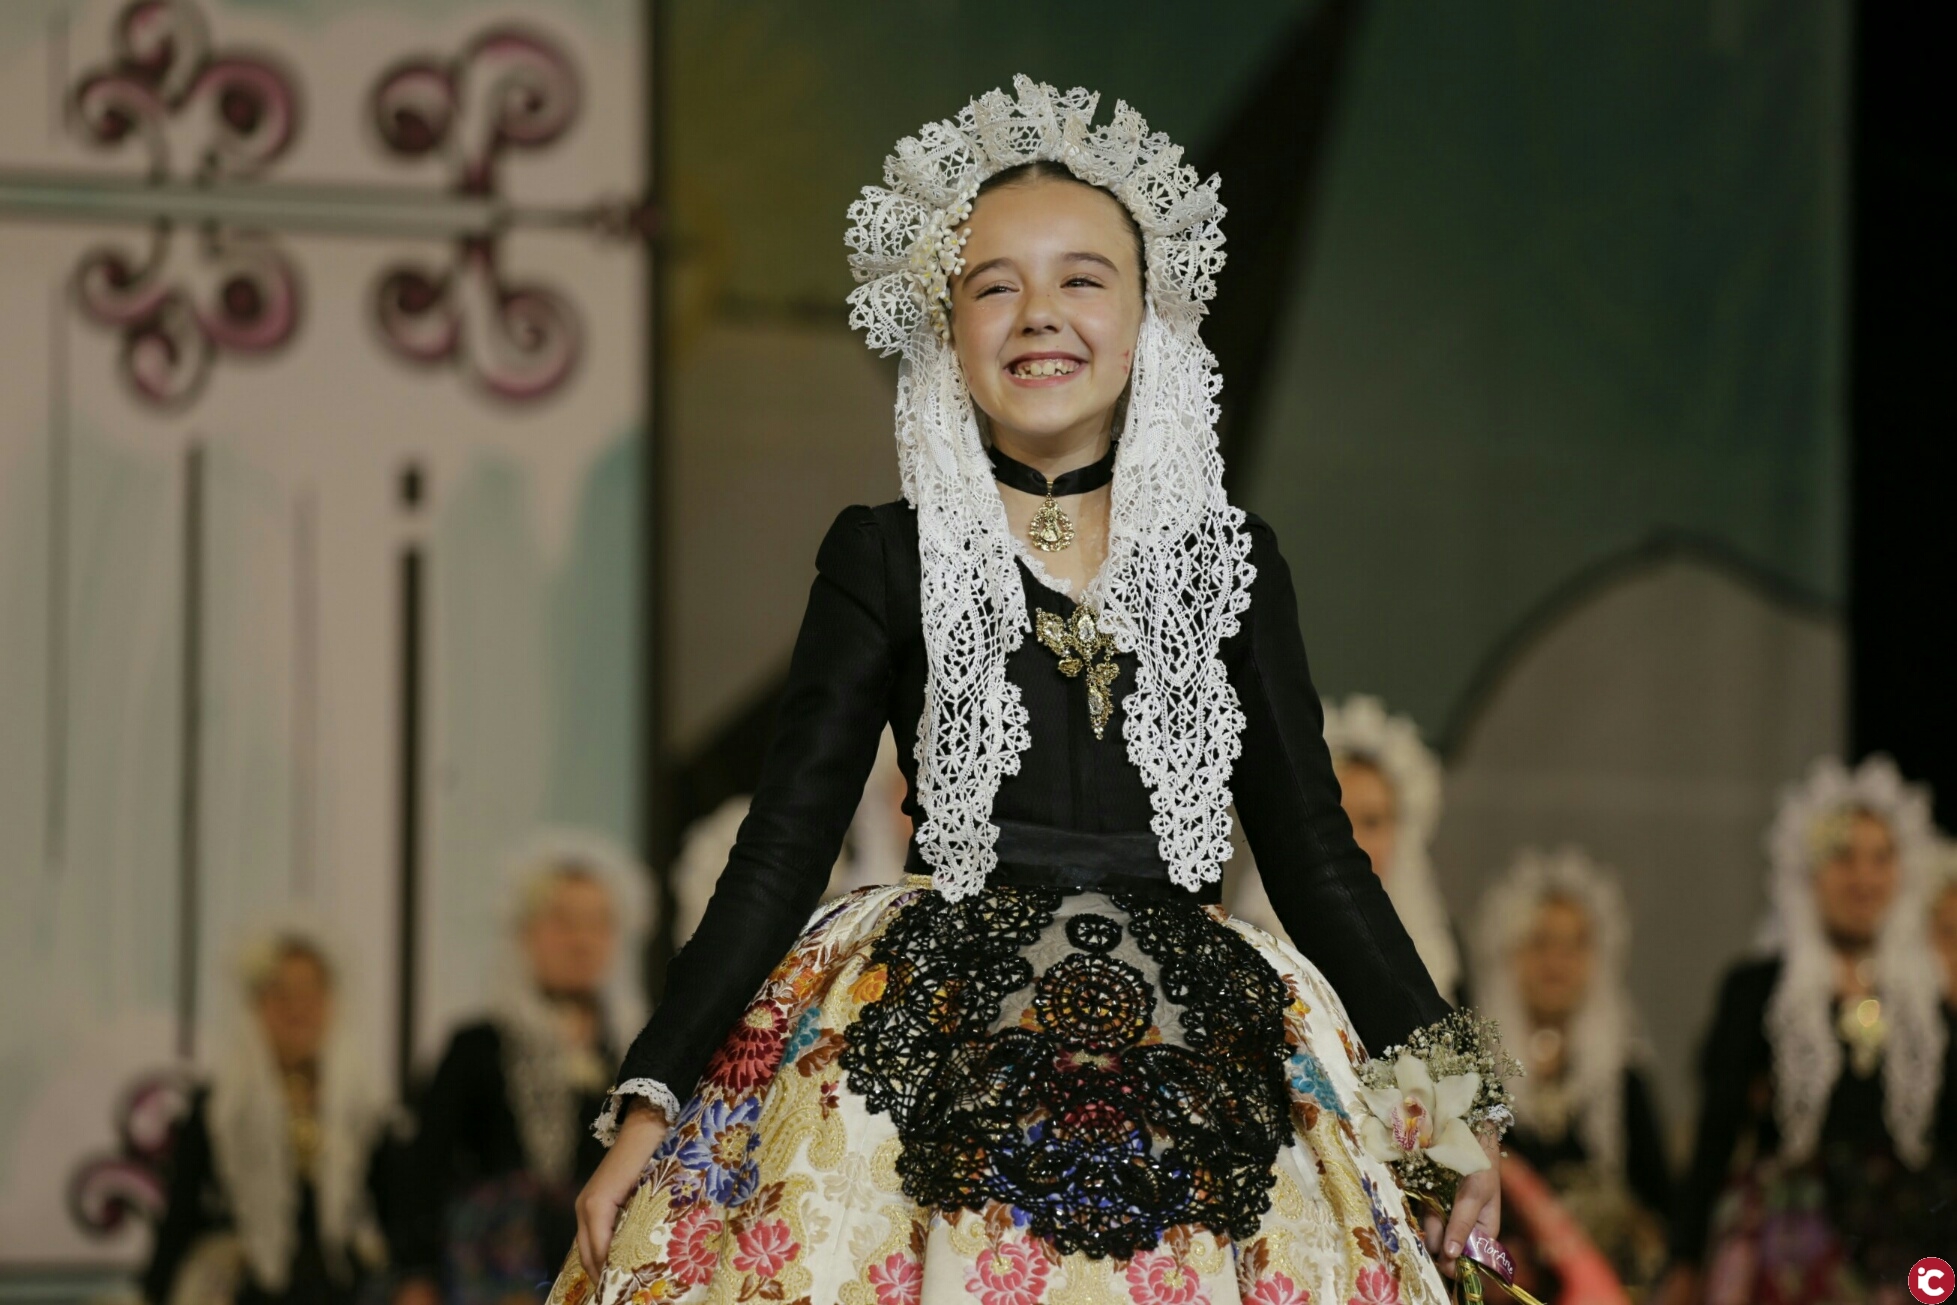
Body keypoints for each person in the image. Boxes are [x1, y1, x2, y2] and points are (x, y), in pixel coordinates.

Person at [559, 79, 1510, 1305]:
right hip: (920, 1050)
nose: (1039, 315)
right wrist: (651, 1103)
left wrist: (1447, 1115)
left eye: (1082, 279)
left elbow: (1317, 863)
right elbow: (780, 853)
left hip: (1199, 1051)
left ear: (1147, 315)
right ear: (946, 328)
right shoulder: (882, 555)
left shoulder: (1229, 562)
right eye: (994, 285)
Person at [1661, 756, 1957, 1305]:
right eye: (1843, 856)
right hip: (1790, 1239)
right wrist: (1684, 1258)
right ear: (1806, 868)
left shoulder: (1930, 1000)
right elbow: (1717, 1133)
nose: (1863, 878)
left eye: (1881, 857)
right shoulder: (1758, 990)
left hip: (1912, 1243)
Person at [396, 833, 650, 1304]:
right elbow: (425, 1171)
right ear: (523, 932)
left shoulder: (637, 1052)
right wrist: (417, 1276)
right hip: (486, 1275)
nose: (581, 941)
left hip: (599, 1268)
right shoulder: (477, 1046)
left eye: (598, 924)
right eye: (562, 922)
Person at [145, 928, 395, 1305]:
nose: (297, 1007)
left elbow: (394, 1205)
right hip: (240, 1284)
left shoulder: (365, 1105)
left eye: (311, 991)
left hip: (343, 1282)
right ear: (253, 1006)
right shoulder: (220, 1106)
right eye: (280, 993)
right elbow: (181, 1215)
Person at [1475, 848, 1670, 1298]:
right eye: (1540, 943)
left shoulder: (1621, 1073)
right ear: (1510, 953)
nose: (1556, 962)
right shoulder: (1480, 1069)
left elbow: (1658, 1198)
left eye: (1573, 945)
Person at [1234, 695, 1466, 1006]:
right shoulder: (1252, 954)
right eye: (1335, 818)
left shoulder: (1434, 958)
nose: (1351, 840)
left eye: (1371, 822)